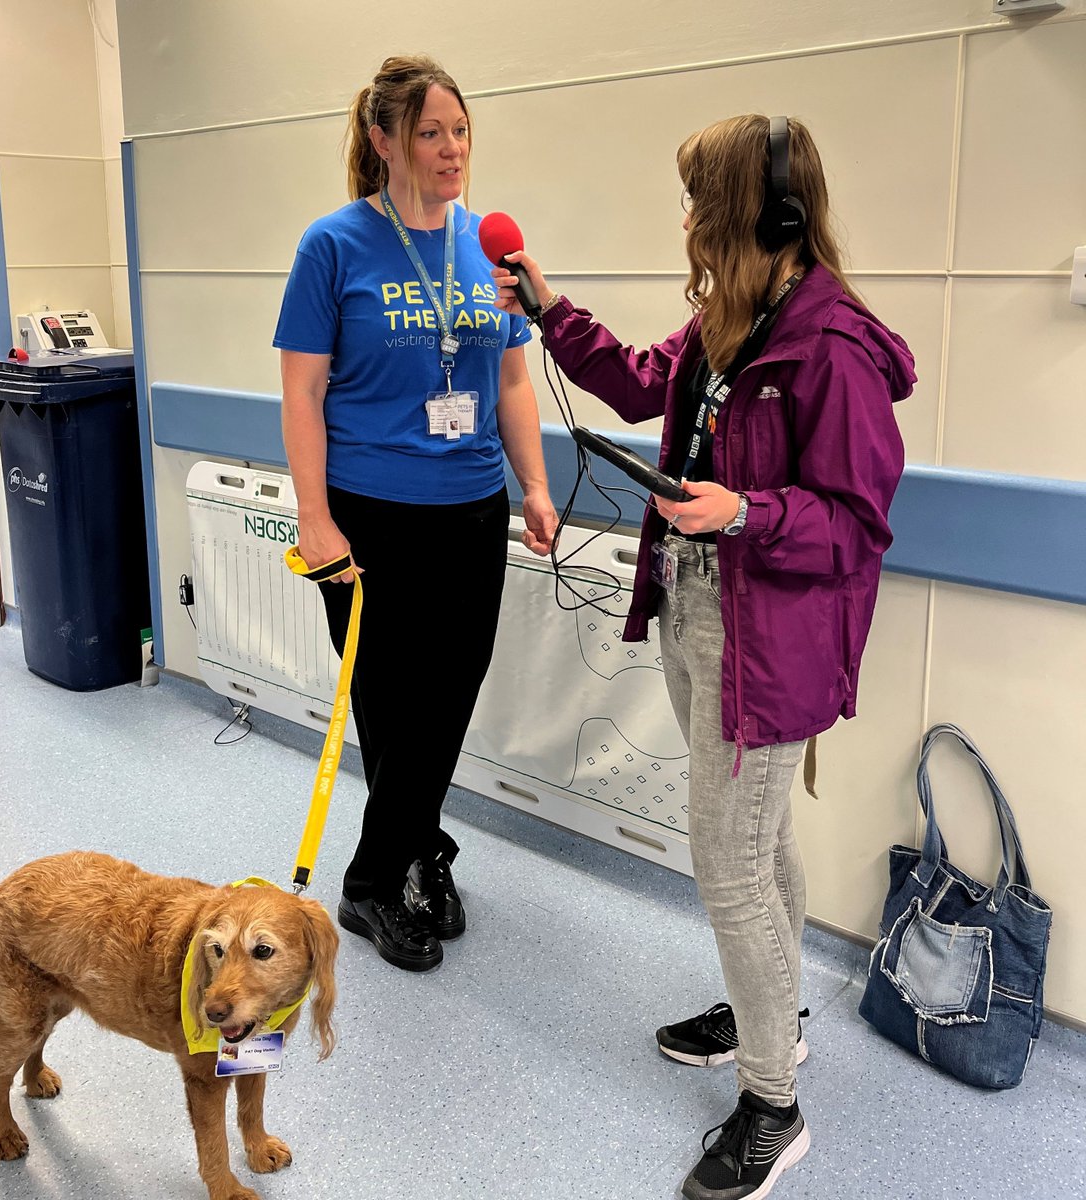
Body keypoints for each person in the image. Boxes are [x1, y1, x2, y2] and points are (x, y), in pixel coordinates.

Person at [493, 115, 913, 1199]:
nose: (683, 220)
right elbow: (637, 382)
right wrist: (549, 309)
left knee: (726, 865)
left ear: (759, 213)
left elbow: (857, 525)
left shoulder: (832, 346)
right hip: (692, 604)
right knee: (755, 843)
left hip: (769, 636)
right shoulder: (731, 317)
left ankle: (775, 1103)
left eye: (698, 201)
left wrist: (746, 512)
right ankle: (773, 1013)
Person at [274, 55, 557, 974]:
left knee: (448, 699)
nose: (451, 150)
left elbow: (512, 378)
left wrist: (538, 486)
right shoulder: (335, 245)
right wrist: (314, 516)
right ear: (383, 139)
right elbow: (302, 391)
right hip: (366, 515)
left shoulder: (488, 246)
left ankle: (410, 856)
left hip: (471, 510)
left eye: (461, 131)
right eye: (431, 132)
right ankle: (378, 879)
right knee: (393, 707)